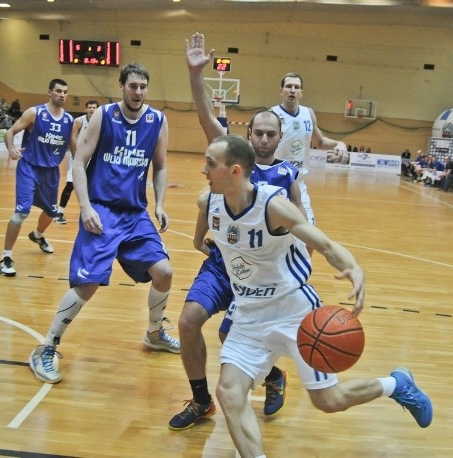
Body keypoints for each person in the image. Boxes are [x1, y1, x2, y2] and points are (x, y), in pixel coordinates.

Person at [201, 134, 432, 457]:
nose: (204, 169)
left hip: (294, 312)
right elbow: (205, 225)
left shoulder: (273, 206)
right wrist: (202, 242)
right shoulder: (208, 201)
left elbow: (323, 244)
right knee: (228, 393)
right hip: (248, 317)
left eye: (211, 164)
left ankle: (396, 385)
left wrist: (353, 267)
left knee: (328, 401)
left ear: (235, 171)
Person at [169, 33, 305, 431]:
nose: (263, 138)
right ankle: (200, 401)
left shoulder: (287, 178)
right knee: (188, 321)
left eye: (270, 133)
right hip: (223, 261)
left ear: (280, 139)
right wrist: (196, 76)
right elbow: (205, 117)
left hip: (263, 273)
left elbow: (303, 230)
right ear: (248, 137)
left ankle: (273, 376)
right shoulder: (231, 159)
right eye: (258, 132)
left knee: (232, 339)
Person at [28, 63, 180, 384]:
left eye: (143, 87)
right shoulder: (104, 116)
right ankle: (47, 346)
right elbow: (78, 162)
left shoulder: (157, 120)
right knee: (88, 284)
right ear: (122, 86)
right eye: (133, 85)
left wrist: (161, 203)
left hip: (135, 213)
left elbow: (161, 166)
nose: (138, 92)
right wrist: (84, 207)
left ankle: (154, 333)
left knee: (164, 273)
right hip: (102, 210)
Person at [0, 79, 74, 277]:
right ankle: (6, 256)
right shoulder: (35, 113)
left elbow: (75, 150)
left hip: (51, 173)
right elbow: (10, 132)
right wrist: (11, 148)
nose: (62, 95)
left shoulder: (69, 121)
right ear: (49, 92)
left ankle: (38, 236)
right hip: (29, 168)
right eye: (58, 91)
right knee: (21, 212)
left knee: (51, 212)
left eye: (65, 92)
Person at [271, 72, 347, 226]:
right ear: (281, 91)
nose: (292, 90)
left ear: (301, 93)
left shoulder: (308, 113)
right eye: (288, 86)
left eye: (296, 87)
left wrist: (339, 144)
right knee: (276, 237)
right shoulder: (272, 114)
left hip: (298, 184)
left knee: (309, 237)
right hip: (274, 182)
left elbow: (319, 142)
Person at [54, 99, 99, 224]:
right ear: (86, 109)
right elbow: (72, 138)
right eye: (89, 107)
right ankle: (59, 212)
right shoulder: (79, 121)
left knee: (93, 186)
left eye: (94, 108)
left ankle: (93, 213)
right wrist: (76, 156)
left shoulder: (100, 122)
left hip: (92, 158)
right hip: (78, 158)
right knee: (71, 185)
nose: (91, 109)